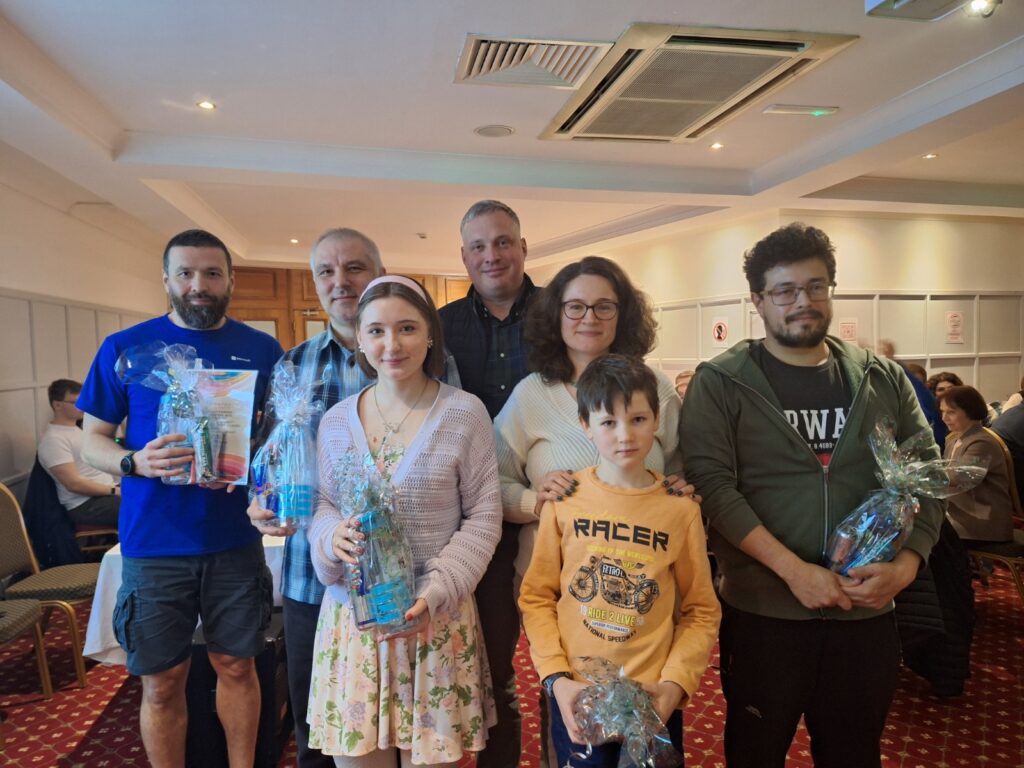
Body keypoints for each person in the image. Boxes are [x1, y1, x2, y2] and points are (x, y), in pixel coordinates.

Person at [679, 222, 943, 768]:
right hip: (765, 612)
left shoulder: (881, 377)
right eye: (785, 291)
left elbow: (927, 476)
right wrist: (795, 572)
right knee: (756, 751)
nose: (803, 301)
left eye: (815, 286)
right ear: (758, 300)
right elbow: (714, 488)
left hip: (865, 610)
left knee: (854, 752)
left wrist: (907, 566)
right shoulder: (722, 382)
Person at [79, 229, 282, 768]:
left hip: (234, 538)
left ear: (230, 280)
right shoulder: (124, 348)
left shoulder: (262, 349)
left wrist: (248, 461)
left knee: (238, 666)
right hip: (153, 542)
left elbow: (277, 437)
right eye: (186, 273)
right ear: (166, 280)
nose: (198, 285)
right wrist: (135, 461)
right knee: (163, 680)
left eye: (212, 273)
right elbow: (91, 440)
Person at [306, 275, 502, 767]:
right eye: (376, 331)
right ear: (359, 338)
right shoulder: (336, 421)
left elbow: (484, 514)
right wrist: (331, 538)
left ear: (431, 333)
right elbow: (324, 505)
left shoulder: (464, 413)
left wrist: (438, 588)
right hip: (356, 628)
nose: (391, 344)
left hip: (434, 622)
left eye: (407, 328)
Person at [519, 355, 720, 767]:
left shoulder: (680, 509)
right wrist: (556, 679)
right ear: (585, 425)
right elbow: (537, 598)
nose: (625, 435)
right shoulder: (565, 501)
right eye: (608, 422)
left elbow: (701, 609)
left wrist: (675, 684)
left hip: (653, 695)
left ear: (657, 421)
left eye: (638, 419)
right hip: (578, 692)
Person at [248, 228, 384, 768]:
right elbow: (270, 457)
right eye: (326, 271)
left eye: (354, 268)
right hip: (313, 575)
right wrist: (260, 501)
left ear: (378, 274)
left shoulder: (421, 357)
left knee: (394, 720)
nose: (340, 281)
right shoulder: (292, 365)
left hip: (400, 573)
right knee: (318, 724)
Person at [495, 256, 686, 590]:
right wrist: (534, 501)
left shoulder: (656, 388)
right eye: (575, 307)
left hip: (644, 582)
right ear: (556, 315)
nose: (589, 318)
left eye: (604, 307)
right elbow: (492, 486)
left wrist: (680, 490)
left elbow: (681, 473)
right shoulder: (530, 395)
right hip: (552, 582)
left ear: (622, 315)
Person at [439, 199, 538, 766]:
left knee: (568, 660)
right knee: (489, 665)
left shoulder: (561, 314)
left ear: (523, 247)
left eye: (503, 242)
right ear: (464, 256)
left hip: (552, 515)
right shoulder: (439, 326)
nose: (492, 255)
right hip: (472, 524)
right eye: (478, 246)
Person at [38, 378, 119, 527]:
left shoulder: (76, 430)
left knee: (150, 496)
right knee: (142, 508)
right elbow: (74, 484)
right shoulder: (53, 440)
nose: (83, 406)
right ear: (57, 405)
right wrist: (114, 491)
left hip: (105, 494)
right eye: (76, 402)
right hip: (85, 505)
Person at [939, 385, 1015, 544]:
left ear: (971, 411)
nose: (944, 418)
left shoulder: (982, 442)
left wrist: (918, 477)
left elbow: (960, 478)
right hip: (963, 516)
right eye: (942, 412)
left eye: (951, 412)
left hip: (982, 524)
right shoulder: (954, 440)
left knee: (923, 537)